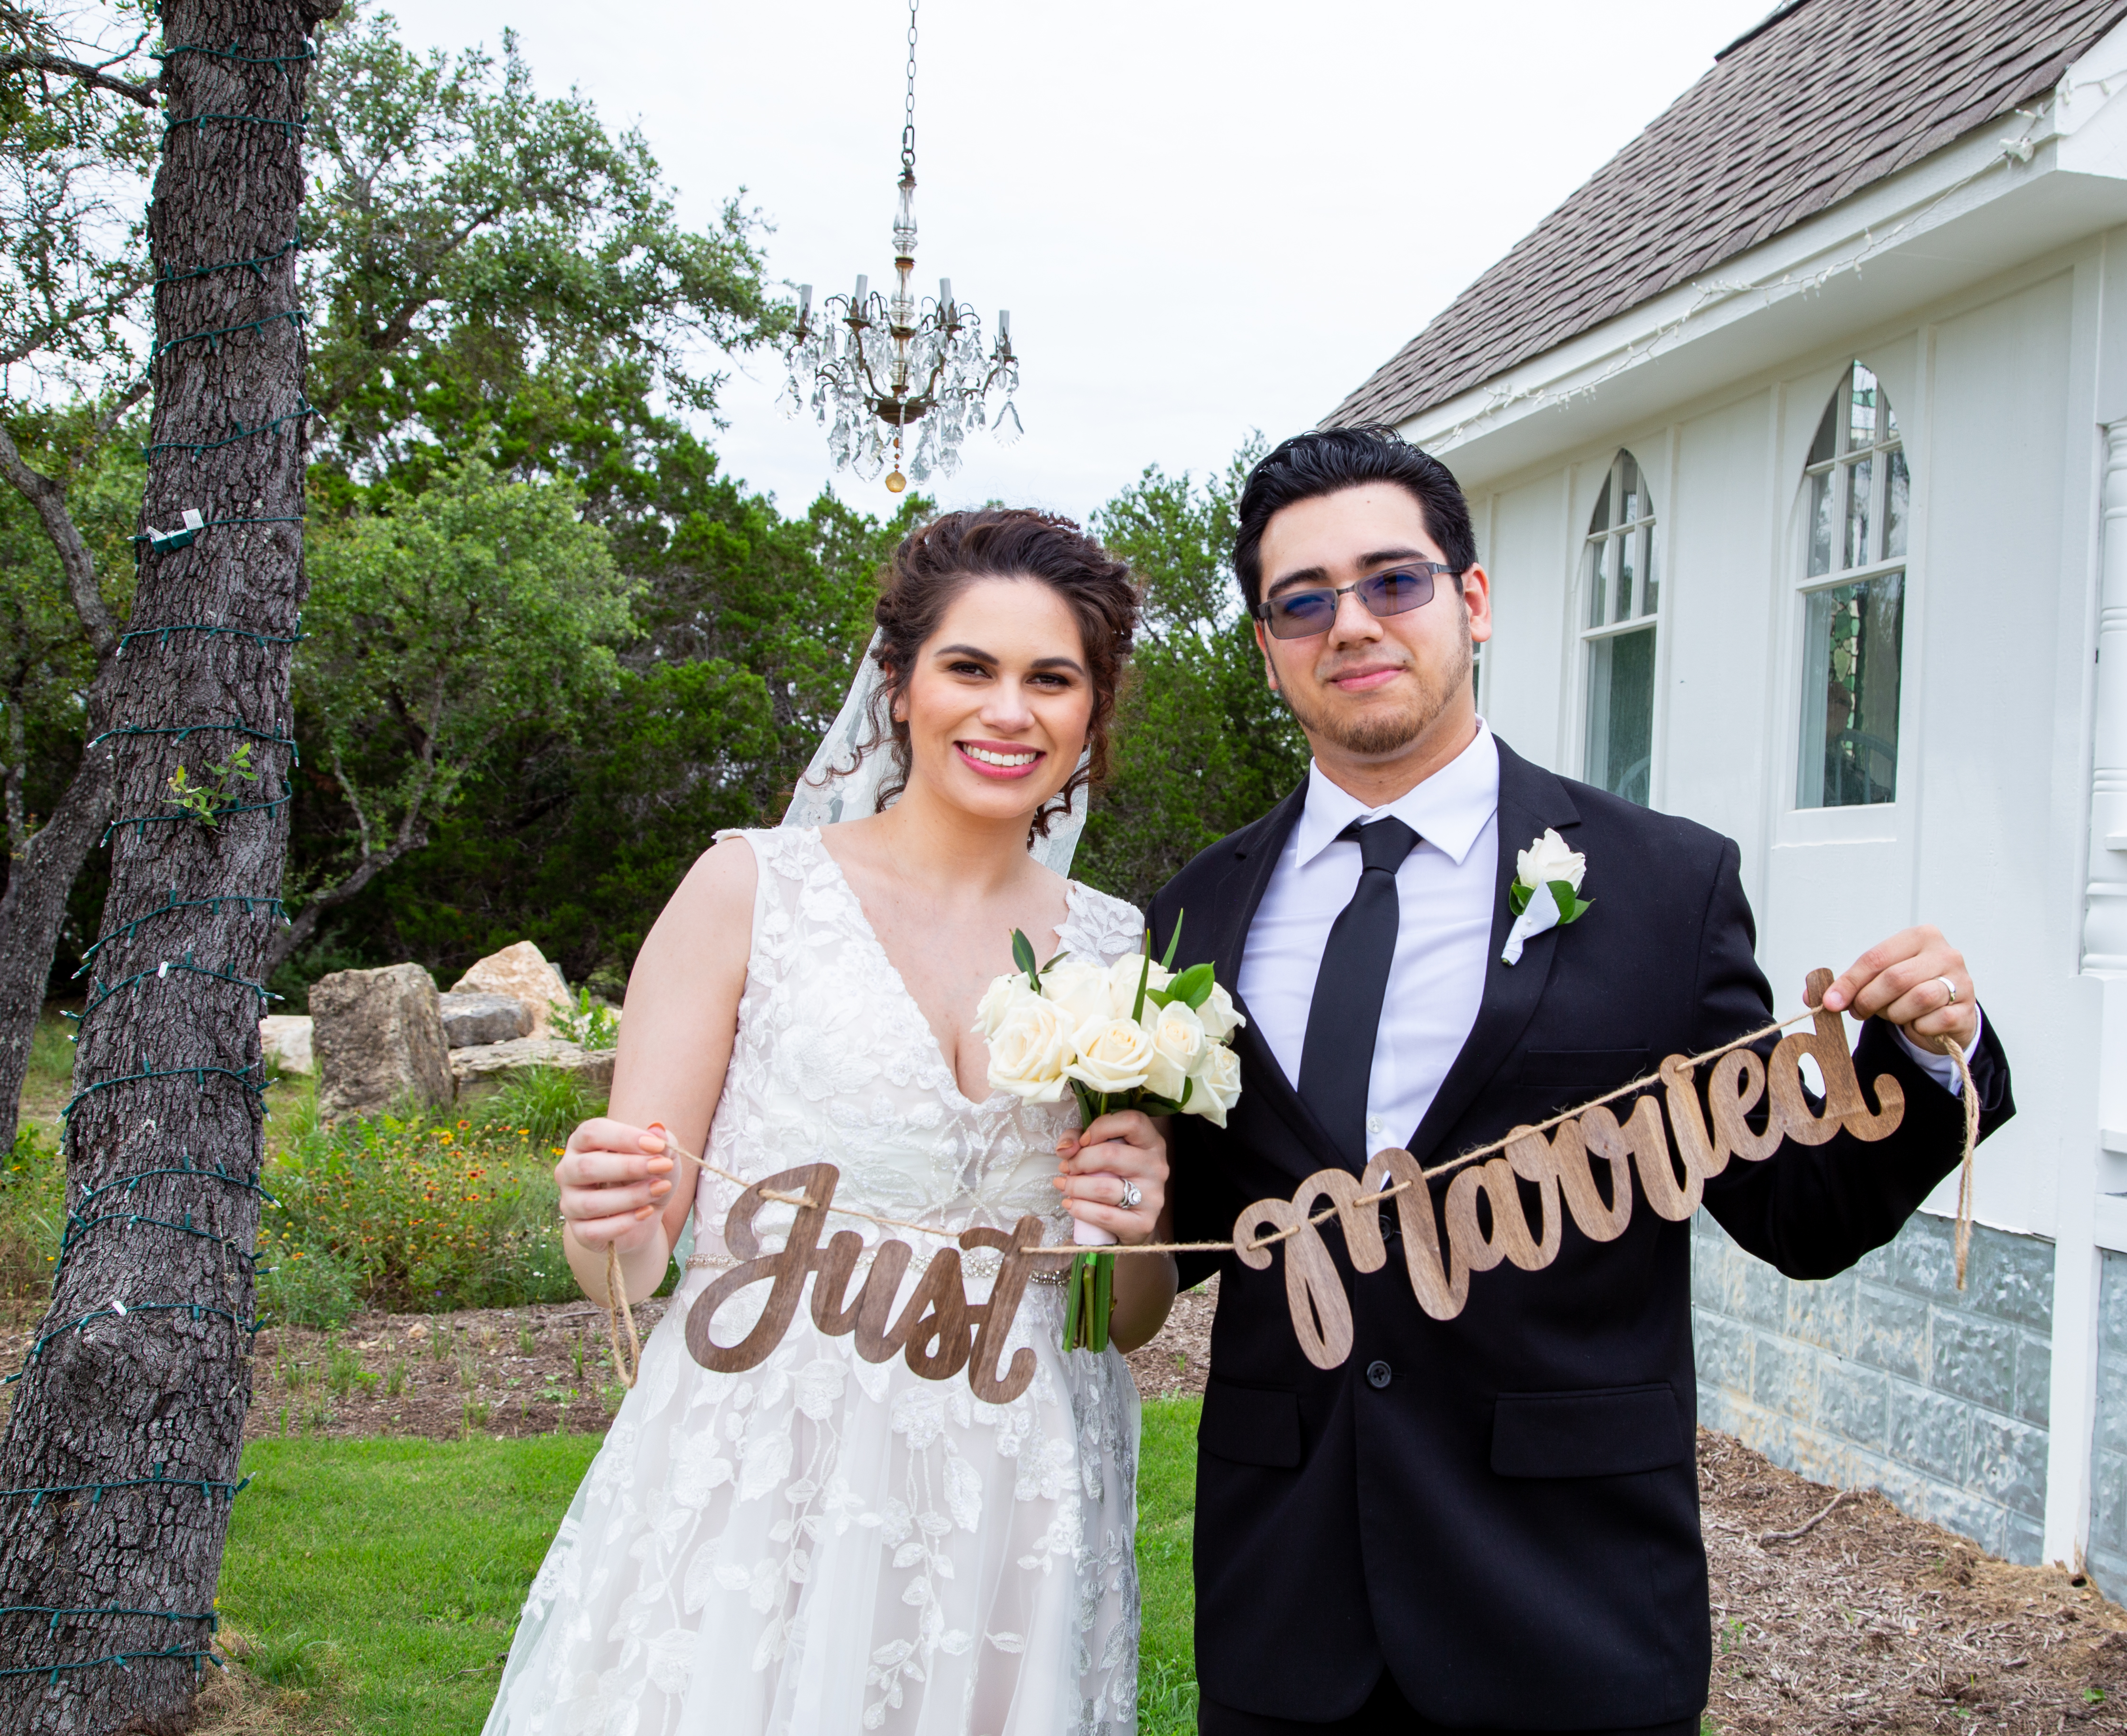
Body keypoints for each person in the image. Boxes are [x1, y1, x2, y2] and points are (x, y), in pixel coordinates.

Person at [1150, 428, 2016, 1736]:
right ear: (1270, 644)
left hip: (1568, 1606)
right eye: (1304, 600)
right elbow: (1180, 1227)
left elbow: (1799, 1215)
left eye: (1394, 581)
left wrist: (1926, 1048)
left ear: (1473, 600)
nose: (1353, 624)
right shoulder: (1198, 914)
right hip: (1290, 1599)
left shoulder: (1665, 888)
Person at [486, 509, 1176, 1736]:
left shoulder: (1124, 953)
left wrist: (1136, 1228)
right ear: (900, 687)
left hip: (1017, 1484)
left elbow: (1120, 1319)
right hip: (771, 1467)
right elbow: (634, 1257)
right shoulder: (751, 890)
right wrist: (600, 1216)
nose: (1007, 712)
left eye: (1051, 679)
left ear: (1092, 715)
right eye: (971, 668)